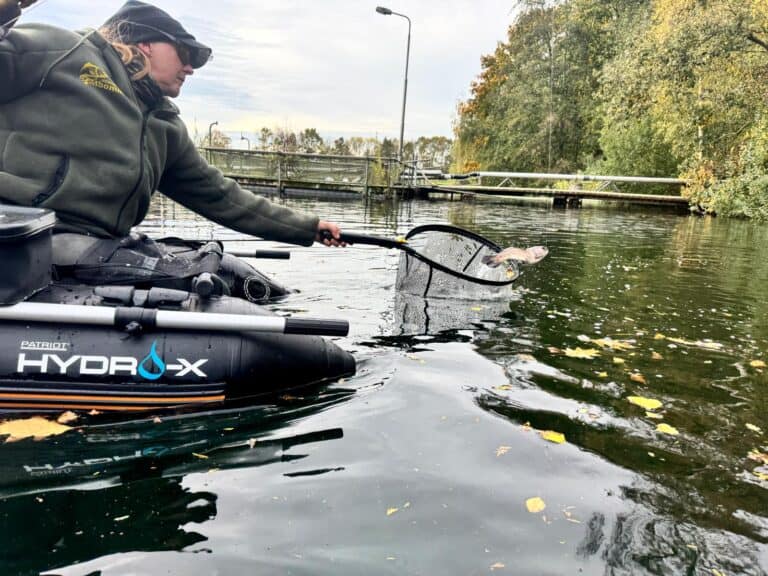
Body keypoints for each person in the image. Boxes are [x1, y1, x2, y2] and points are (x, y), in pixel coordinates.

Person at [0, 0, 344, 301]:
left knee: (222, 272)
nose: (191, 67)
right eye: (185, 54)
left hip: (100, 243)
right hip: (30, 237)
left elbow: (222, 197)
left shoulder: (164, 122)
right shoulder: (64, 50)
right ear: (145, 43)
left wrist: (309, 227)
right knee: (185, 278)